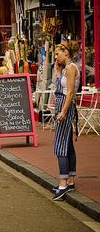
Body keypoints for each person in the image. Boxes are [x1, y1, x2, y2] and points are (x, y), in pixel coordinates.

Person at [52, 42, 80, 201]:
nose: (56, 57)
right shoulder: (66, 68)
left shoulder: (70, 68)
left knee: (60, 145)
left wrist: (63, 111)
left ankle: (63, 183)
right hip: (63, 103)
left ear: (66, 53)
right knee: (67, 144)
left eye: (58, 54)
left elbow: (69, 93)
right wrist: (57, 71)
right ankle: (71, 179)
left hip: (66, 105)